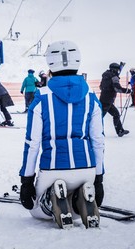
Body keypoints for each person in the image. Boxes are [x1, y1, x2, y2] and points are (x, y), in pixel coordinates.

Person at [19, 40, 105, 229]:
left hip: (53, 168)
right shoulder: (91, 96)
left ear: (50, 63)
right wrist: (99, 178)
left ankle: (52, 200)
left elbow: (32, 143)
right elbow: (98, 140)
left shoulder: (41, 97)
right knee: (74, 213)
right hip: (87, 167)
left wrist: (26, 181)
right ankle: (79, 199)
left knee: (36, 211)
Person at [99, 62, 132, 137]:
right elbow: (117, 88)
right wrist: (128, 91)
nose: (118, 71)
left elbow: (101, 87)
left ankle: (120, 131)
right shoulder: (113, 76)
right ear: (114, 69)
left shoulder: (105, 76)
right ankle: (98, 133)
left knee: (116, 114)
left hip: (105, 99)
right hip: (107, 100)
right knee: (99, 118)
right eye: (117, 70)